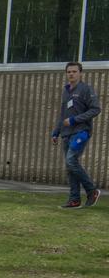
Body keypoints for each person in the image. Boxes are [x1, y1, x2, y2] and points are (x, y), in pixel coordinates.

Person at [51, 61, 102, 209]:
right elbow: (63, 114)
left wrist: (74, 120)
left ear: (80, 73)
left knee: (71, 161)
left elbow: (96, 109)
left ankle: (92, 191)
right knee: (69, 166)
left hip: (81, 132)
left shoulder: (86, 89)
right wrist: (56, 131)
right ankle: (74, 199)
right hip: (66, 134)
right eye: (69, 72)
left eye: (74, 71)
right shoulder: (66, 91)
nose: (71, 74)